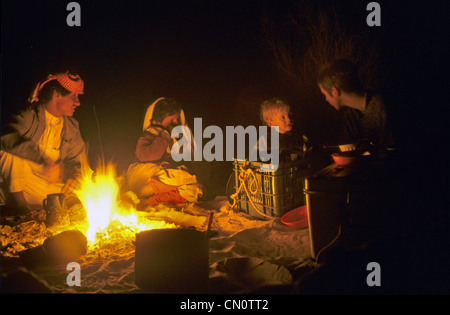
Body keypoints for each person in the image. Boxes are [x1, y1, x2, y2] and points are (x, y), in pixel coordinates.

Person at [1, 71, 87, 214]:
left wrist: (74, 177)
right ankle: (23, 210)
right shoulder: (29, 116)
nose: (78, 102)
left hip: (51, 190)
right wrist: (45, 161)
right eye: (74, 96)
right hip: (22, 186)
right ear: (57, 94)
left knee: (90, 179)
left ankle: (52, 210)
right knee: (7, 153)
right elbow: (6, 137)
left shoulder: (72, 128)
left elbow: (79, 164)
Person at [125, 97, 202, 209]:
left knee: (195, 190)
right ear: (159, 120)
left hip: (164, 176)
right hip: (145, 175)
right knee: (186, 179)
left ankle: (148, 201)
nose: (176, 122)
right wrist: (165, 137)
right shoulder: (150, 134)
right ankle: (145, 190)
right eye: (171, 120)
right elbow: (144, 155)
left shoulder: (175, 137)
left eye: (176, 119)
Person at [317, 59, 395, 151]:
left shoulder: (382, 107)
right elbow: (349, 151)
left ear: (334, 91)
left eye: (324, 94)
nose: (326, 99)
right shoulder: (351, 116)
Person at [257, 98, 307, 162]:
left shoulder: (297, 136)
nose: (288, 119)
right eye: (283, 117)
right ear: (271, 123)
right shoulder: (266, 139)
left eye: (289, 114)